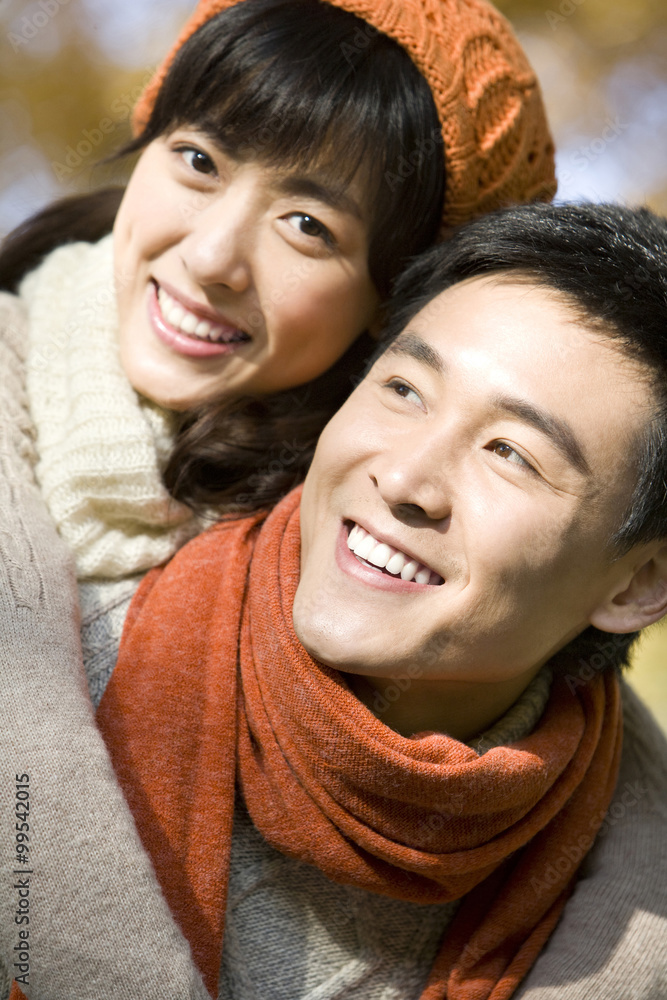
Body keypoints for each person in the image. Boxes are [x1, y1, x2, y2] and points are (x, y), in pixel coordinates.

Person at [0, 1, 556, 995]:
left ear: (393, 308)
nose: (213, 257)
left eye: (308, 224)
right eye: (200, 161)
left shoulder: (366, 546)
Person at [7, 201, 665, 1000]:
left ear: (637, 583)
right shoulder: (66, 682)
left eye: (509, 453)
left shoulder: (610, 908)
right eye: (403, 388)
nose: (403, 479)